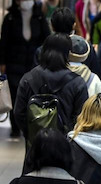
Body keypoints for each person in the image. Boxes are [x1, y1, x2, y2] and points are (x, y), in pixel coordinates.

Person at [14, 33, 88, 167]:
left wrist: (32, 131)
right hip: (65, 148)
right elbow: (82, 117)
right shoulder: (77, 83)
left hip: (34, 147)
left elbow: (18, 113)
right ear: (67, 53)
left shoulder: (28, 79)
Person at [0, 0, 51, 138]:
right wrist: (2, 62)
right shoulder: (10, 17)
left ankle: (31, 124)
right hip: (13, 62)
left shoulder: (39, 16)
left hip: (33, 63)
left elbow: (46, 39)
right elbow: (3, 41)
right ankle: (15, 127)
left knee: (32, 94)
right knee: (14, 93)